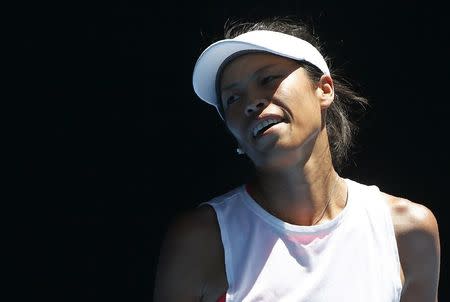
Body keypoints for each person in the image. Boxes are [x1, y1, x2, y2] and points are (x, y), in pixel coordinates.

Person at [153, 16, 441, 301]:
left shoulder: (408, 231)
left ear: (324, 90)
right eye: (233, 99)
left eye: (268, 79)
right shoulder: (198, 241)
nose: (252, 102)